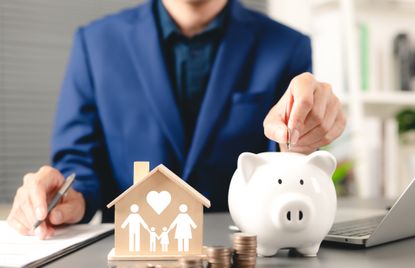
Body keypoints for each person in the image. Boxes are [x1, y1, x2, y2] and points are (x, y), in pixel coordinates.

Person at [7, 0, 346, 239]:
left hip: (239, 252)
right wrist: (68, 197)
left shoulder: (287, 46)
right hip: (133, 250)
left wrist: (303, 133)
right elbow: (79, 164)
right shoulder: (95, 44)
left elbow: (282, 157)